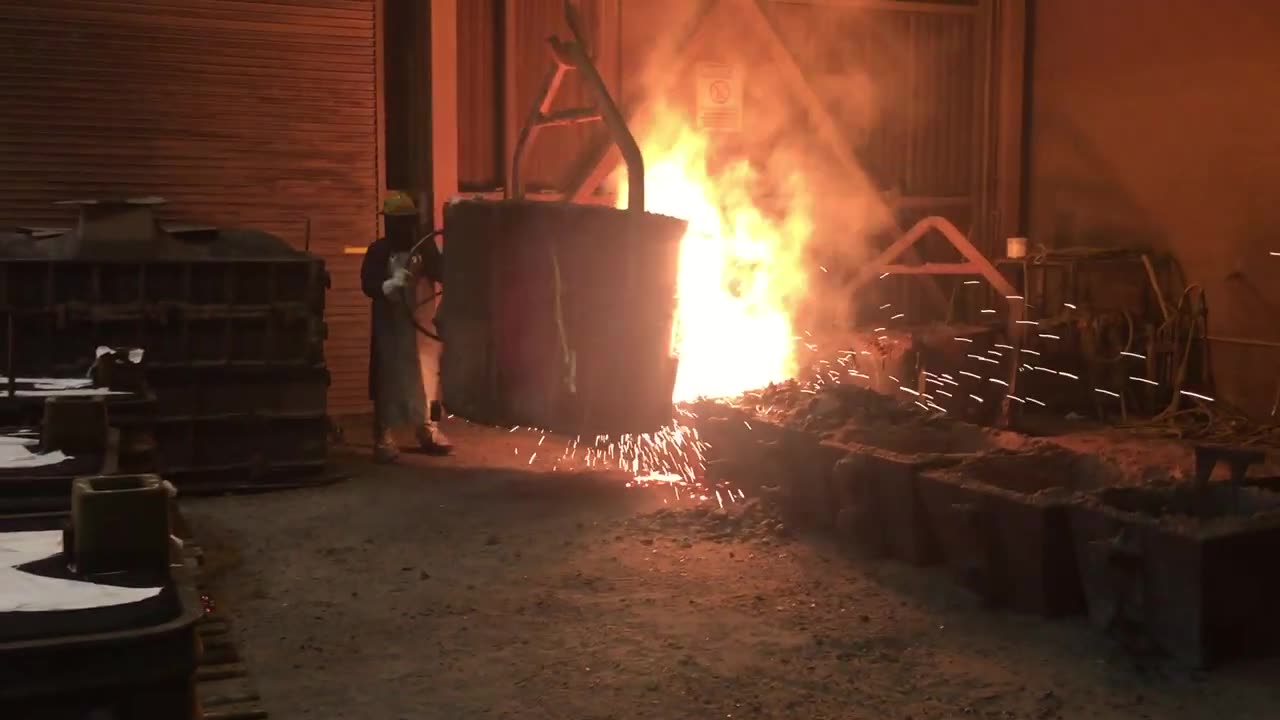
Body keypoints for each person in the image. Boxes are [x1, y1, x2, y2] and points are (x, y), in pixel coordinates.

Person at [360, 191, 453, 462]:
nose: (402, 227)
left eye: (406, 220)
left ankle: (429, 429)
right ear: (388, 222)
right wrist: (389, 284)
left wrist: (444, 256)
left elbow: (441, 274)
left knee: (429, 378)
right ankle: (383, 435)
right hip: (390, 326)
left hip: (422, 324)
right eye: (396, 221)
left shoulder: (424, 247)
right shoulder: (378, 251)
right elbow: (368, 284)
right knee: (387, 379)